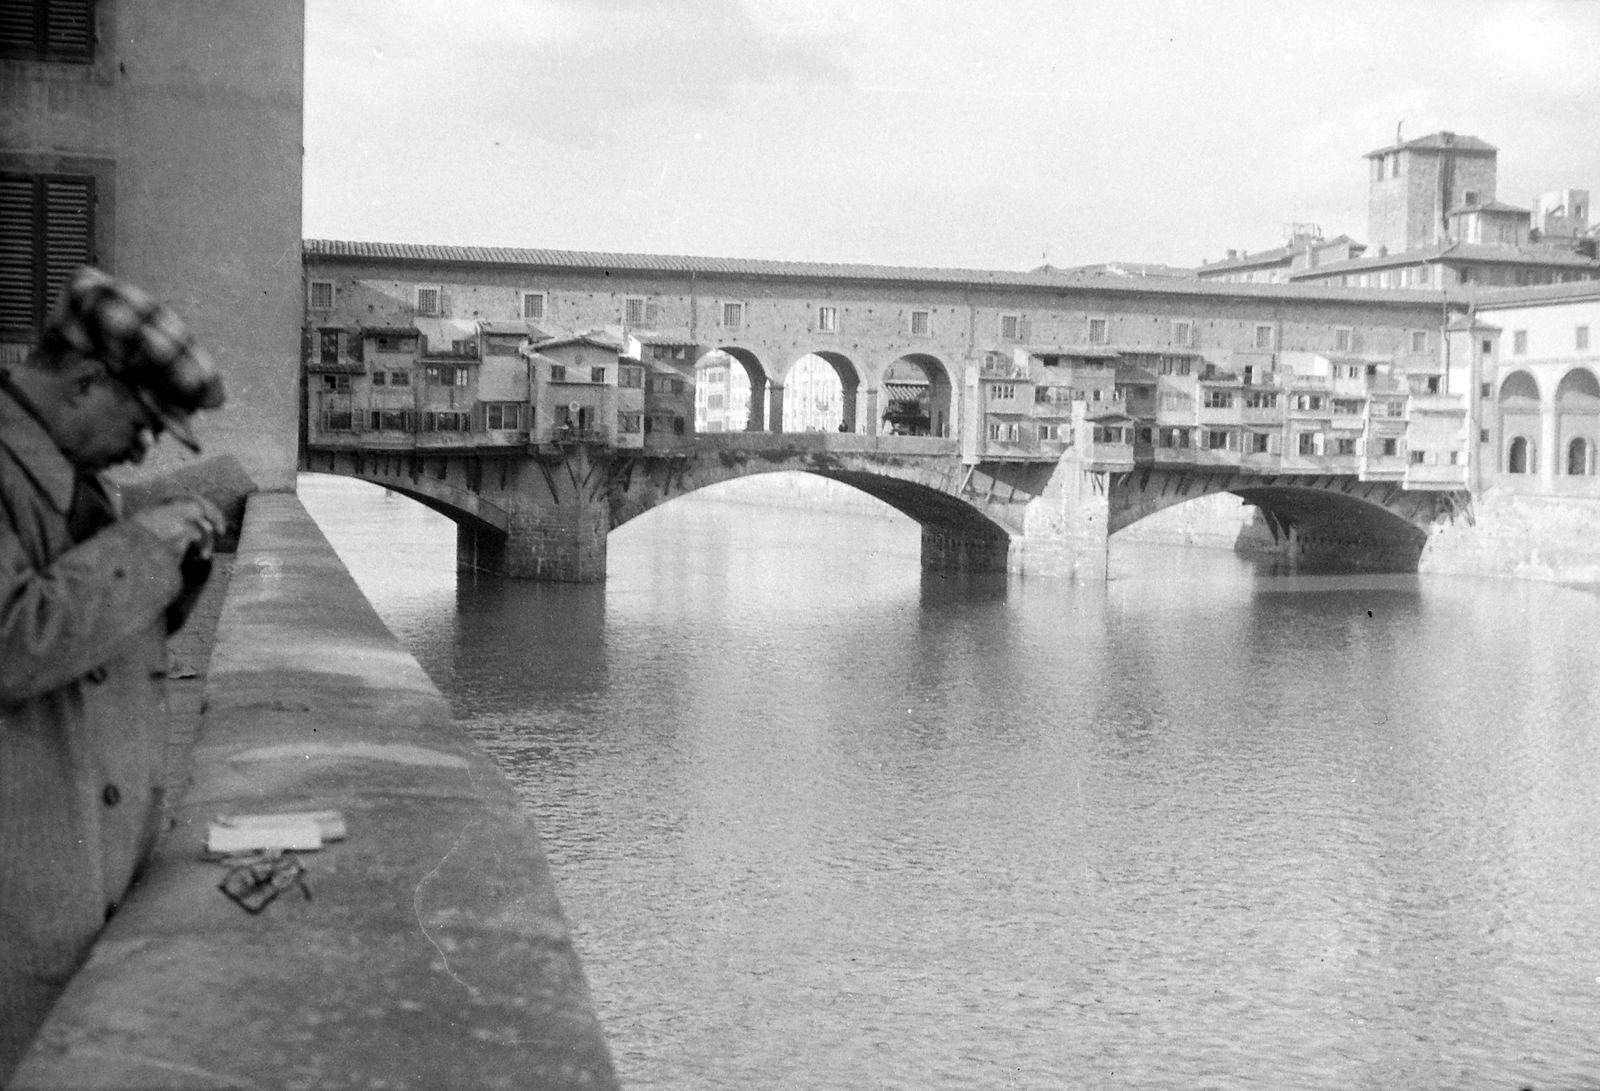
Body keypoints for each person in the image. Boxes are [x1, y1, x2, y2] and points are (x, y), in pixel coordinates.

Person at [0, 267, 226, 1079]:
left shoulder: (70, 481)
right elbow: (14, 641)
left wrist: (179, 565)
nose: (145, 448)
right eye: (144, 422)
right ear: (88, 380)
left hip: (74, 891)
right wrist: (145, 545)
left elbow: (93, 648)